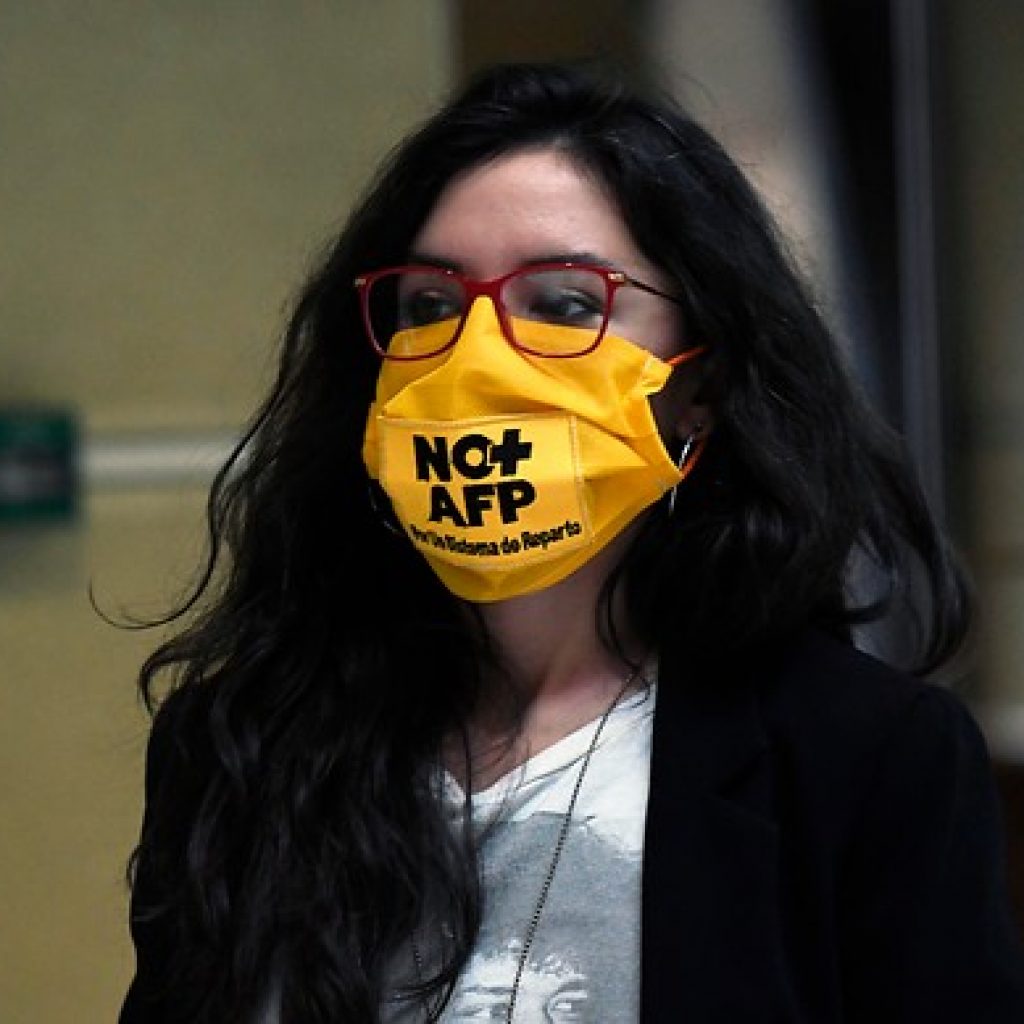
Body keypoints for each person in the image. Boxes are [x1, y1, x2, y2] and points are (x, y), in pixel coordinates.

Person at [118, 59, 1024, 1023]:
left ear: (700, 387)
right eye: (429, 306)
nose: (478, 359)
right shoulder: (244, 744)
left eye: (563, 304)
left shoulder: (864, 759)